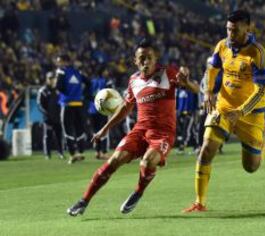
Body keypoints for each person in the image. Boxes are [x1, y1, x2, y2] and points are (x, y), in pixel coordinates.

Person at [67, 39, 200, 216]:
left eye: (149, 58)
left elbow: (196, 89)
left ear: (156, 58)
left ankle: (138, 192)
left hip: (162, 133)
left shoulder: (167, 73)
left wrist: (188, 82)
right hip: (140, 131)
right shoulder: (133, 81)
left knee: (147, 161)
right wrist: (104, 129)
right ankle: (84, 201)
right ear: (135, 61)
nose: (146, 61)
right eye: (142, 58)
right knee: (114, 160)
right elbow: (125, 108)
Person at [183, 9, 265, 212]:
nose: (230, 34)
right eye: (228, 29)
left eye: (234, 30)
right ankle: (200, 202)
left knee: (250, 167)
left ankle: (264, 137)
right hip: (224, 107)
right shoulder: (222, 45)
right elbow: (212, 69)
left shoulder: (258, 53)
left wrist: (241, 112)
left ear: (247, 28)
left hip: (251, 114)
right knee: (206, 148)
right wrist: (208, 92)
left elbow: (261, 91)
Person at [55, 54, 90, 164]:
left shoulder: (61, 71)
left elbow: (58, 86)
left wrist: (66, 94)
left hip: (67, 104)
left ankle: (72, 154)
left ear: (64, 61)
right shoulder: (78, 72)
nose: (58, 63)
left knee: (68, 128)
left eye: (59, 61)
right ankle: (80, 152)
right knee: (79, 128)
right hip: (79, 104)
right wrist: (81, 93)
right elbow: (88, 82)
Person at [37, 71, 65, 160]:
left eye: (54, 78)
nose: (52, 80)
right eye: (50, 79)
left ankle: (60, 152)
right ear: (47, 79)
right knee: (47, 136)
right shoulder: (43, 91)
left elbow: (62, 102)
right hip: (48, 118)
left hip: (58, 117)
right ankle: (47, 154)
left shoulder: (58, 90)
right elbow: (39, 104)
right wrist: (46, 114)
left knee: (59, 136)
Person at [88, 67, 114, 160]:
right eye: (106, 70)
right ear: (103, 71)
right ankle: (104, 152)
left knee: (95, 131)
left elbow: (87, 94)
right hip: (102, 109)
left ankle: (97, 152)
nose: (107, 71)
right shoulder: (106, 81)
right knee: (104, 130)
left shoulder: (92, 81)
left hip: (92, 109)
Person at [176, 86, 199, 154]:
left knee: (187, 130)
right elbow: (178, 102)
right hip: (180, 113)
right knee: (191, 130)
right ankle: (196, 147)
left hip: (189, 113)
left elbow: (193, 101)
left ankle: (182, 146)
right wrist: (177, 111)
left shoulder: (190, 90)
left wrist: (190, 111)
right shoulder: (179, 90)